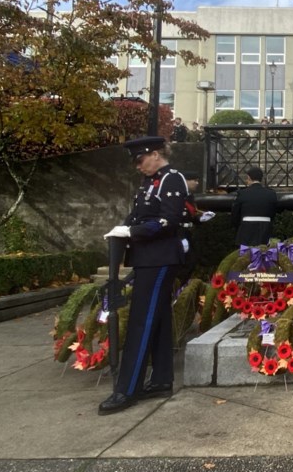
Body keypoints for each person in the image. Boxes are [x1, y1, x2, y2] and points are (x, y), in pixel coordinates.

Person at [98, 136, 186, 415]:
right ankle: (160, 379)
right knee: (156, 320)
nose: (138, 166)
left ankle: (127, 388)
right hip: (147, 259)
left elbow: (168, 220)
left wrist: (132, 232)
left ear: (156, 154)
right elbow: (137, 215)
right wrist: (121, 229)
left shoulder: (172, 179)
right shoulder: (150, 182)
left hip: (160, 259)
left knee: (142, 321)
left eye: (140, 159)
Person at [176, 171, 215, 285]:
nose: (197, 183)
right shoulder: (178, 195)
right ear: (186, 181)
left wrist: (201, 218)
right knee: (182, 264)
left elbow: (191, 215)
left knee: (191, 262)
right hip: (179, 233)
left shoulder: (189, 196)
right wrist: (180, 237)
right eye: (194, 180)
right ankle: (176, 288)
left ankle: (181, 287)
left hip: (188, 233)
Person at [231, 166, 278, 247]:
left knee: (246, 257)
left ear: (249, 178)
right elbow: (273, 213)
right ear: (261, 179)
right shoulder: (271, 194)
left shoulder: (242, 194)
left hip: (246, 230)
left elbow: (235, 215)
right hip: (265, 229)